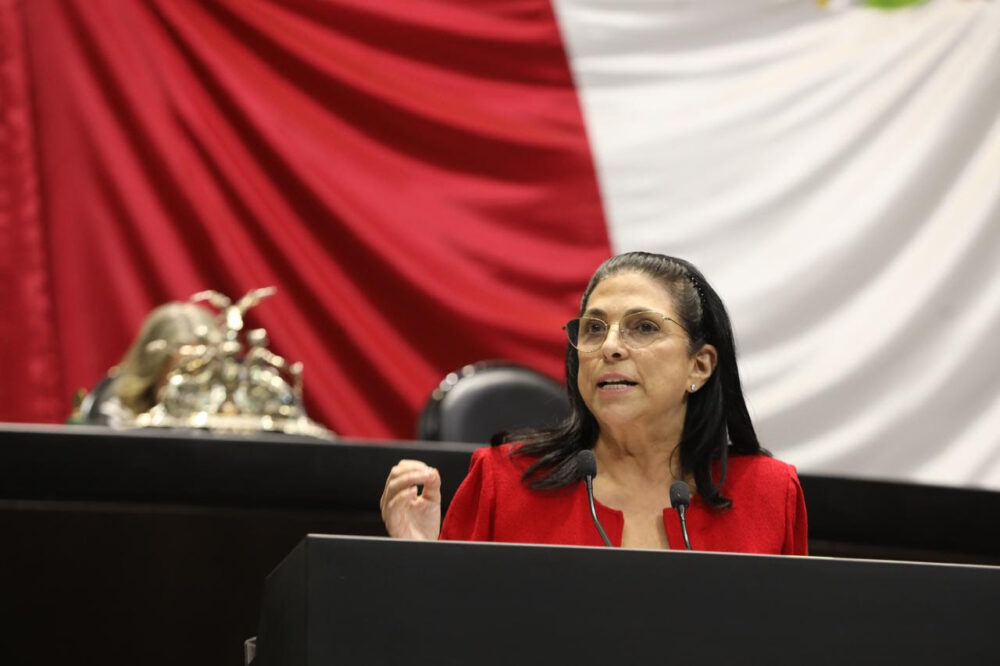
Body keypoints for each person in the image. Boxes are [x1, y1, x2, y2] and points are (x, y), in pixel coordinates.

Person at [381, 252, 807, 554]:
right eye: (594, 328)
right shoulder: (503, 482)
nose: (611, 346)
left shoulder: (769, 494)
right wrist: (417, 558)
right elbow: (448, 634)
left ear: (699, 366)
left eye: (643, 327)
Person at [74, 302, 220, 426]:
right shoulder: (112, 406)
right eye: (181, 372)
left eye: (203, 371)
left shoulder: (226, 400)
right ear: (153, 370)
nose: (192, 385)